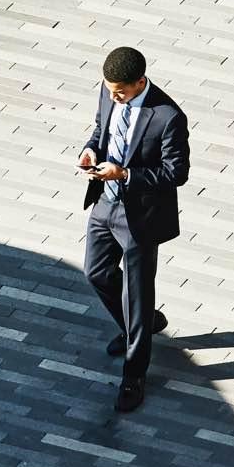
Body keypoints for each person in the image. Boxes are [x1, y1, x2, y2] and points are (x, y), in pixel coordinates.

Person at [78, 46, 190, 413]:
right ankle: (138, 326)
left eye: (121, 92)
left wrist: (125, 174)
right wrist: (91, 151)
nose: (113, 97)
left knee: (137, 295)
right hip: (105, 203)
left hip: (140, 215)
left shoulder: (167, 116)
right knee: (96, 273)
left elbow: (176, 173)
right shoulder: (109, 92)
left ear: (140, 82)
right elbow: (102, 130)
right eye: (109, 89)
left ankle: (134, 373)